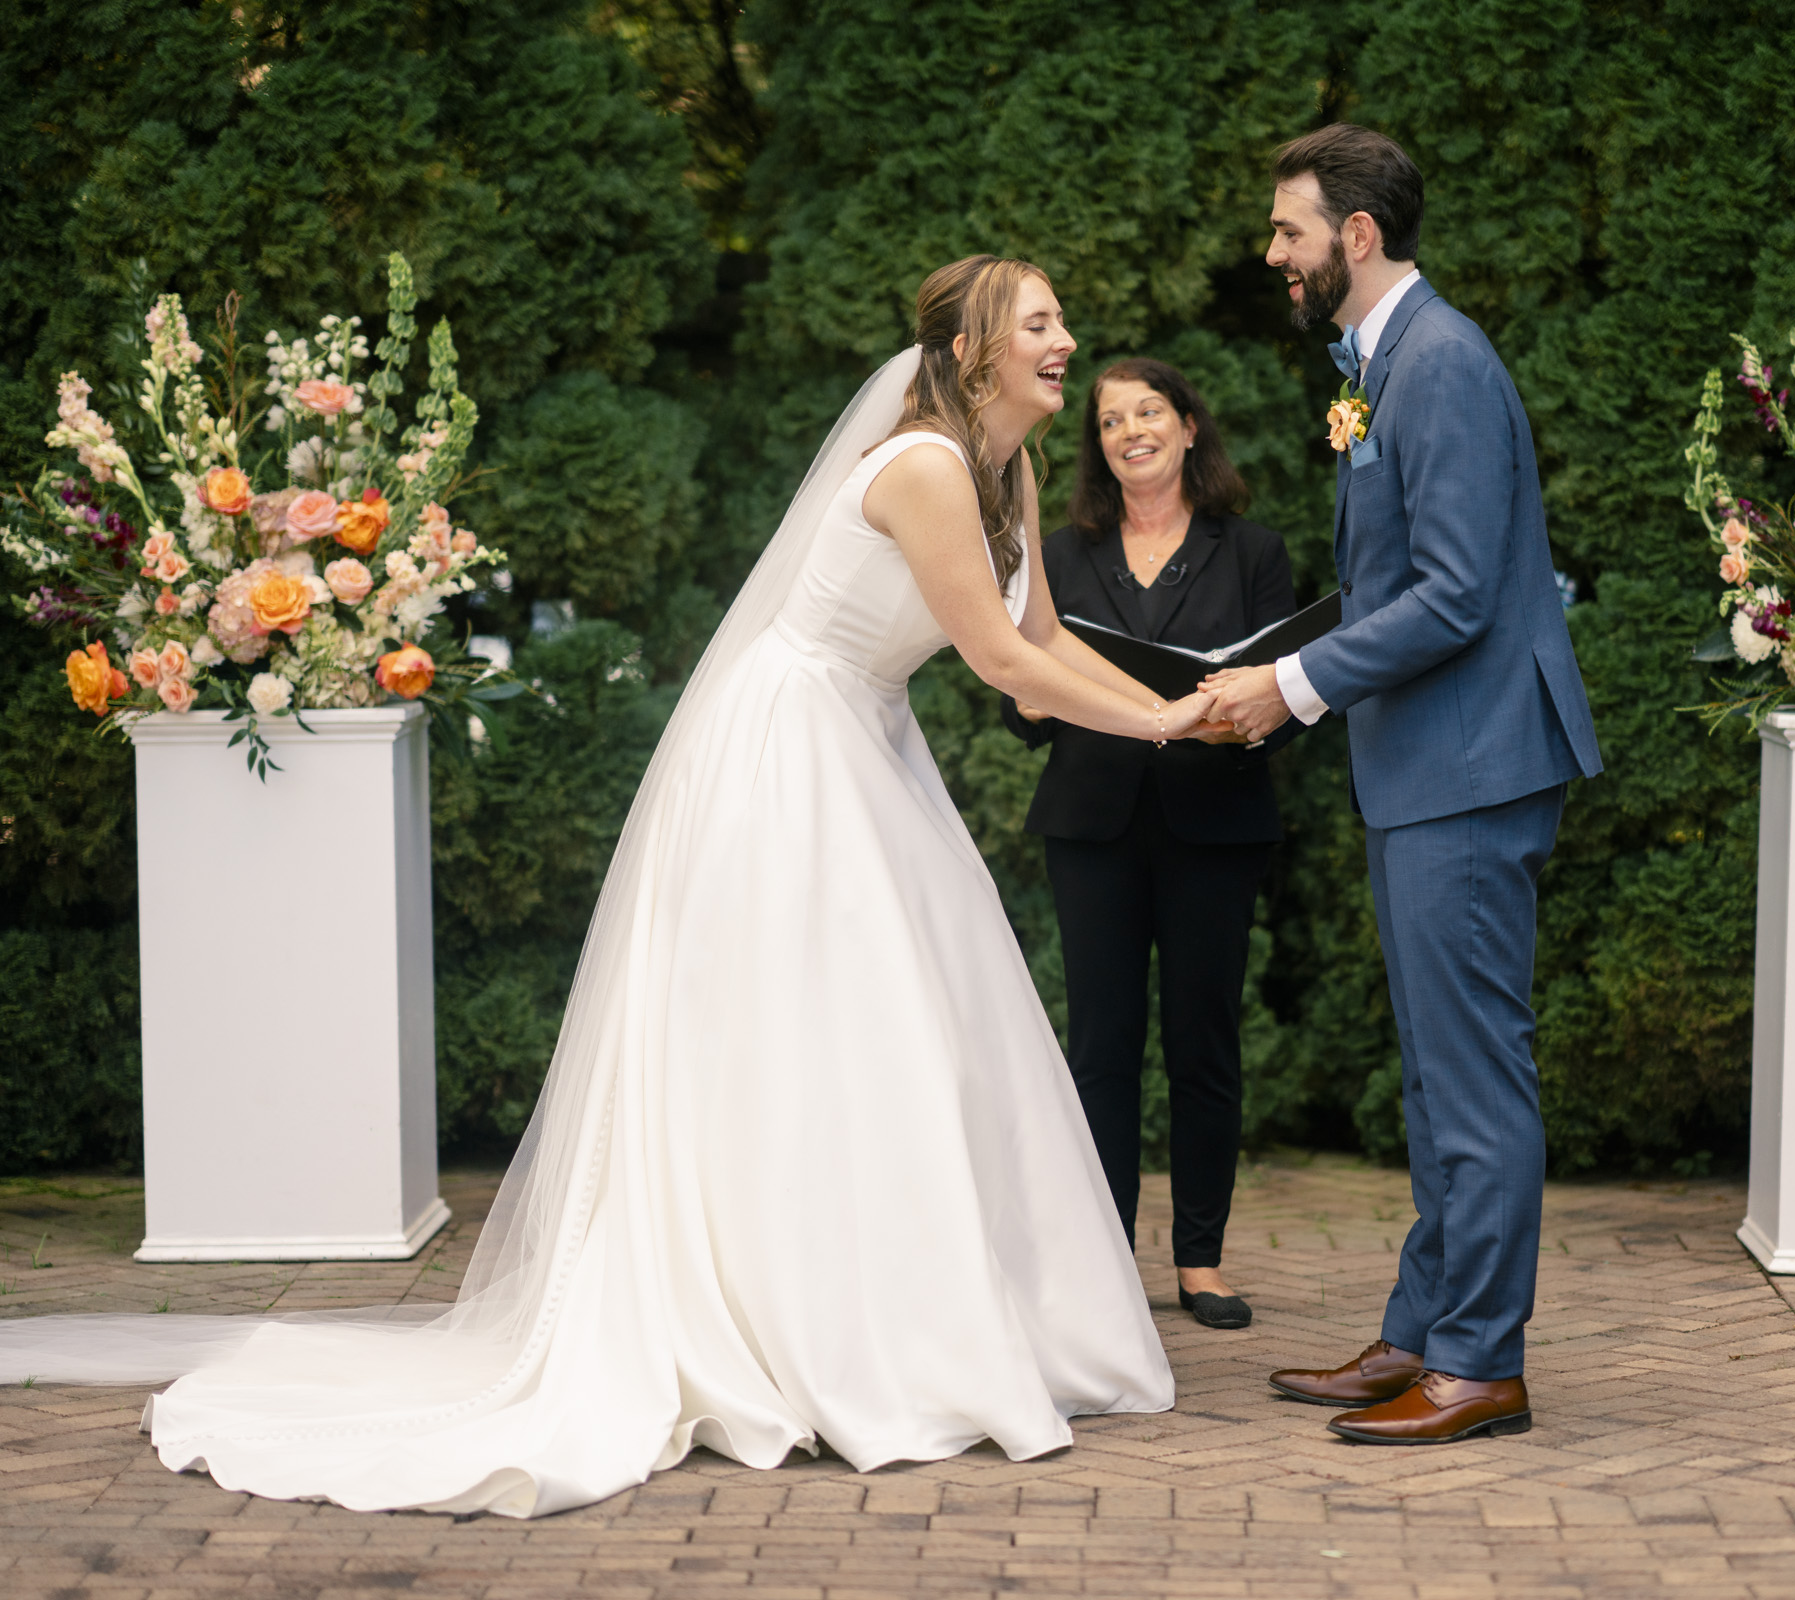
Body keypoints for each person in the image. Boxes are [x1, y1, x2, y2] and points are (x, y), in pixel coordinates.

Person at [0, 256, 1226, 1514]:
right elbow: (992, 660)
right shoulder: (921, 467)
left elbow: (1045, 644)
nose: (1066, 340)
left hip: (863, 742)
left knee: (901, 1026)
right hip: (791, 748)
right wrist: (1179, 726)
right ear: (972, 349)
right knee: (828, 1026)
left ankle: (901, 1309)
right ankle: (804, 1329)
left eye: (1059, 321)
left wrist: (1187, 701)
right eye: (1039, 322)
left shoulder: (1002, 467)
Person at [1204, 125, 1603, 1443]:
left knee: (1474, 1077)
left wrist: (1292, 685)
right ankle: (1424, 1332)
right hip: (1428, 765)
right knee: (1436, 1079)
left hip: (1473, 766)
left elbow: (1455, 593)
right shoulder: (1385, 365)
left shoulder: (1441, 364)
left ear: (1355, 237)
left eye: (1287, 230)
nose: (1273, 252)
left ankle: (1481, 1361)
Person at [1001, 358, 1300, 1331]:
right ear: (1097, 445)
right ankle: (1104, 1258)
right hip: (1094, 825)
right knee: (1101, 1047)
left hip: (1216, 822)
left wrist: (1242, 715)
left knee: (1205, 1045)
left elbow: (1287, 699)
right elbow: (1032, 707)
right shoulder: (1061, 551)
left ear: (1186, 427)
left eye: (1148, 411)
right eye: (1109, 418)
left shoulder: (1251, 550)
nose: (1129, 428)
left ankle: (1202, 1261)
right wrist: (1026, 698)